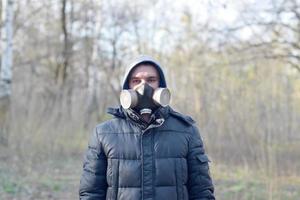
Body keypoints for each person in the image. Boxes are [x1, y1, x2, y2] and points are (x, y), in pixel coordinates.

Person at [79, 55, 215, 200]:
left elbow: (202, 193)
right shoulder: (104, 133)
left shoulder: (187, 131)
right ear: (127, 87)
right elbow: (91, 193)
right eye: (136, 81)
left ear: (161, 86)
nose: (143, 87)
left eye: (151, 80)